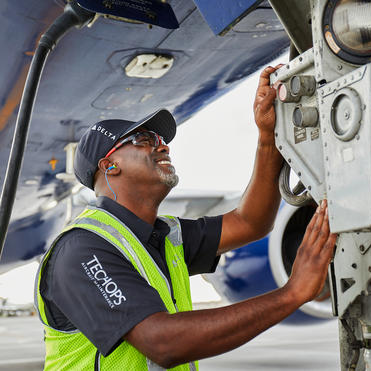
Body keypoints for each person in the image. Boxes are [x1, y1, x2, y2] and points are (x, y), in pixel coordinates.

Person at [34, 66, 337, 370]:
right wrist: (292, 294)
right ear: (110, 165)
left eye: (160, 139)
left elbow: (250, 223)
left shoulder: (164, 236)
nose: (162, 145)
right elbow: (163, 343)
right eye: (143, 139)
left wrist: (269, 136)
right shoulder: (81, 249)